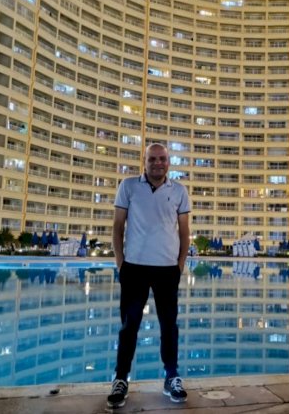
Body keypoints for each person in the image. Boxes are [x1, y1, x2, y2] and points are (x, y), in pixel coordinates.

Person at [107, 143, 190, 409]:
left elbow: (184, 232)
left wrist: (179, 265)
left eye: (162, 158)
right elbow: (118, 226)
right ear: (144, 161)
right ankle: (121, 378)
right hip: (134, 268)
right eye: (152, 159)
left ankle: (171, 376)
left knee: (169, 326)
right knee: (129, 326)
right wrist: (121, 263)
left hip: (167, 269)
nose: (157, 163)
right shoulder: (128, 186)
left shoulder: (179, 191)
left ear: (169, 162)